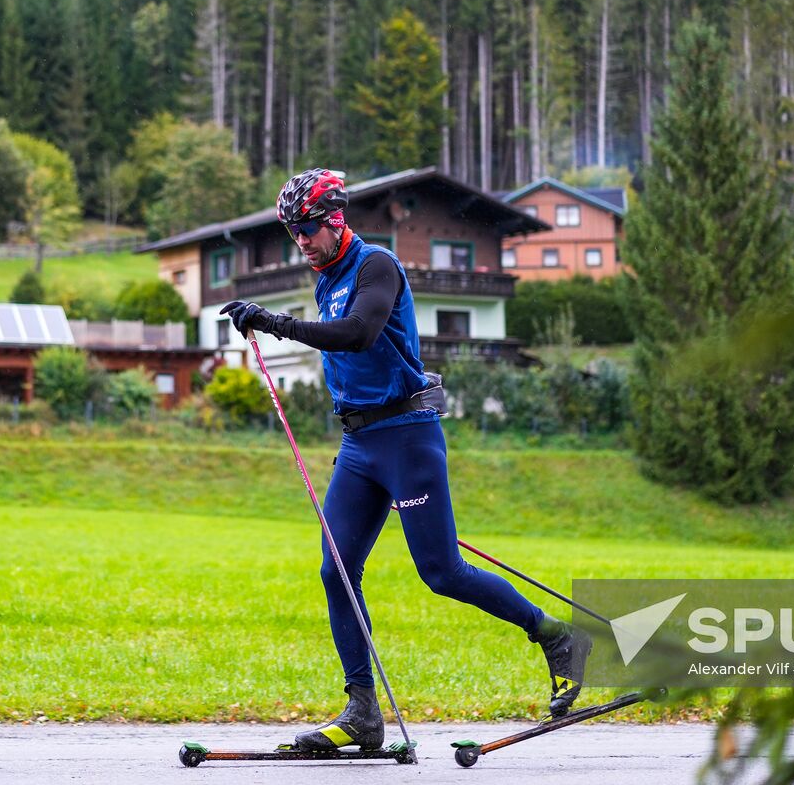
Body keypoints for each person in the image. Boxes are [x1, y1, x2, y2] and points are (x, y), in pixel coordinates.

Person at [220, 168, 590, 752]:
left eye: (308, 229)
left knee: (441, 573)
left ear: (335, 219)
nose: (302, 242)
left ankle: (556, 636)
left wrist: (272, 322)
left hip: (408, 438)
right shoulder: (325, 277)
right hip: (359, 446)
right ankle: (363, 711)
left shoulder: (377, 266)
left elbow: (360, 333)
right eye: (294, 233)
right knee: (335, 570)